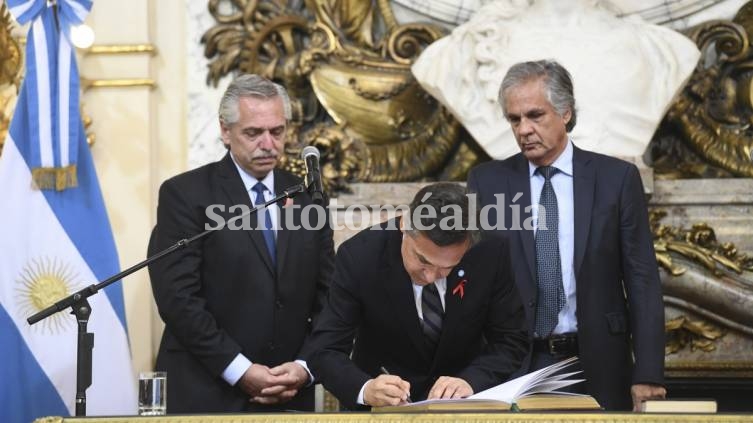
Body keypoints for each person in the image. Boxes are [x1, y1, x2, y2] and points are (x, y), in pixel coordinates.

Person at [467, 59, 666, 411]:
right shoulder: (488, 182)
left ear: (566, 114)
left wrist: (648, 373)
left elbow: (642, 279)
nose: (524, 129)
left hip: (600, 364)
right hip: (516, 368)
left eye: (534, 115)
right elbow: (475, 283)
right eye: (514, 120)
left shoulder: (616, 179)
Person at [148, 74, 334, 413]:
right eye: (253, 133)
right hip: (208, 393)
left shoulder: (308, 197)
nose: (268, 143)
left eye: (277, 131)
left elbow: (329, 298)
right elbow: (178, 299)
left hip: (290, 394)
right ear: (225, 130)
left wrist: (304, 367)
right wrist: (240, 370)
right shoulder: (186, 195)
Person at [307, 182, 528, 410]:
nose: (431, 276)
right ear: (405, 225)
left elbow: (511, 339)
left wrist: (472, 380)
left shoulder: (491, 252)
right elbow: (325, 350)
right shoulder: (360, 257)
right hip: (382, 412)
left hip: (464, 410)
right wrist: (366, 389)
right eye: (422, 260)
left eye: (447, 267)